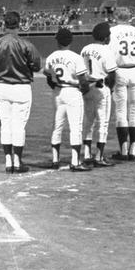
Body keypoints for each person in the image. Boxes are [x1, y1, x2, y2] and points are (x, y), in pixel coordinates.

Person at [0, 11, 43, 173]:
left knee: (6, 125)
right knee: (18, 126)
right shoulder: (25, 44)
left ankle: (8, 161)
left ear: (4, 25)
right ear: (19, 24)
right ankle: (17, 161)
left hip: (1, 87)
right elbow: (37, 66)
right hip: (21, 87)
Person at [42, 26, 89, 170]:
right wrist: (85, 90)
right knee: (76, 127)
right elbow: (83, 80)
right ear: (71, 41)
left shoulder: (51, 57)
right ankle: (75, 161)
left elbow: (48, 77)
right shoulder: (76, 57)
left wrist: (56, 88)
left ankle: (55, 159)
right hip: (73, 92)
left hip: (58, 92)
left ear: (58, 41)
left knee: (57, 126)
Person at [108, 8, 135, 160]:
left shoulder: (112, 31)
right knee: (134, 111)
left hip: (120, 70)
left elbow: (109, 55)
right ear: (130, 17)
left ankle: (123, 150)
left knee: (121, 111)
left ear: (116, 17)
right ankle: (133, 149)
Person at [79, 22, 117, 167]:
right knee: (103, 123)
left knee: (88, 122)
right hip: (101, 87)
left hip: (88, 88)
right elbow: (112, 74)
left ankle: (87, 153)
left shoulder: (85, 49)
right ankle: (99, 156)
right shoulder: (106, 50)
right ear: (106, 37)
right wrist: (111, 89)